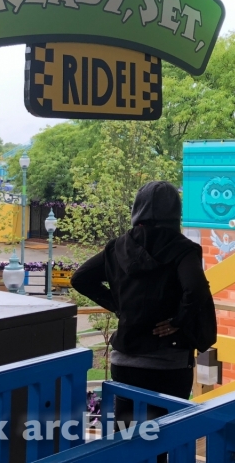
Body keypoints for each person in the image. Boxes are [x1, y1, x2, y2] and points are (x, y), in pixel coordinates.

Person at [70, 180, 217, 425]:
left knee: (126, 438)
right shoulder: (184, 249)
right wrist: (178, 321)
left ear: (138, 208)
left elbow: (80, 278)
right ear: (175, 211)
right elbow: (196, 289)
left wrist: (117, 304)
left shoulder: (117, 247)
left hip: (124, 363)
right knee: (163, 437)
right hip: (168, 364)